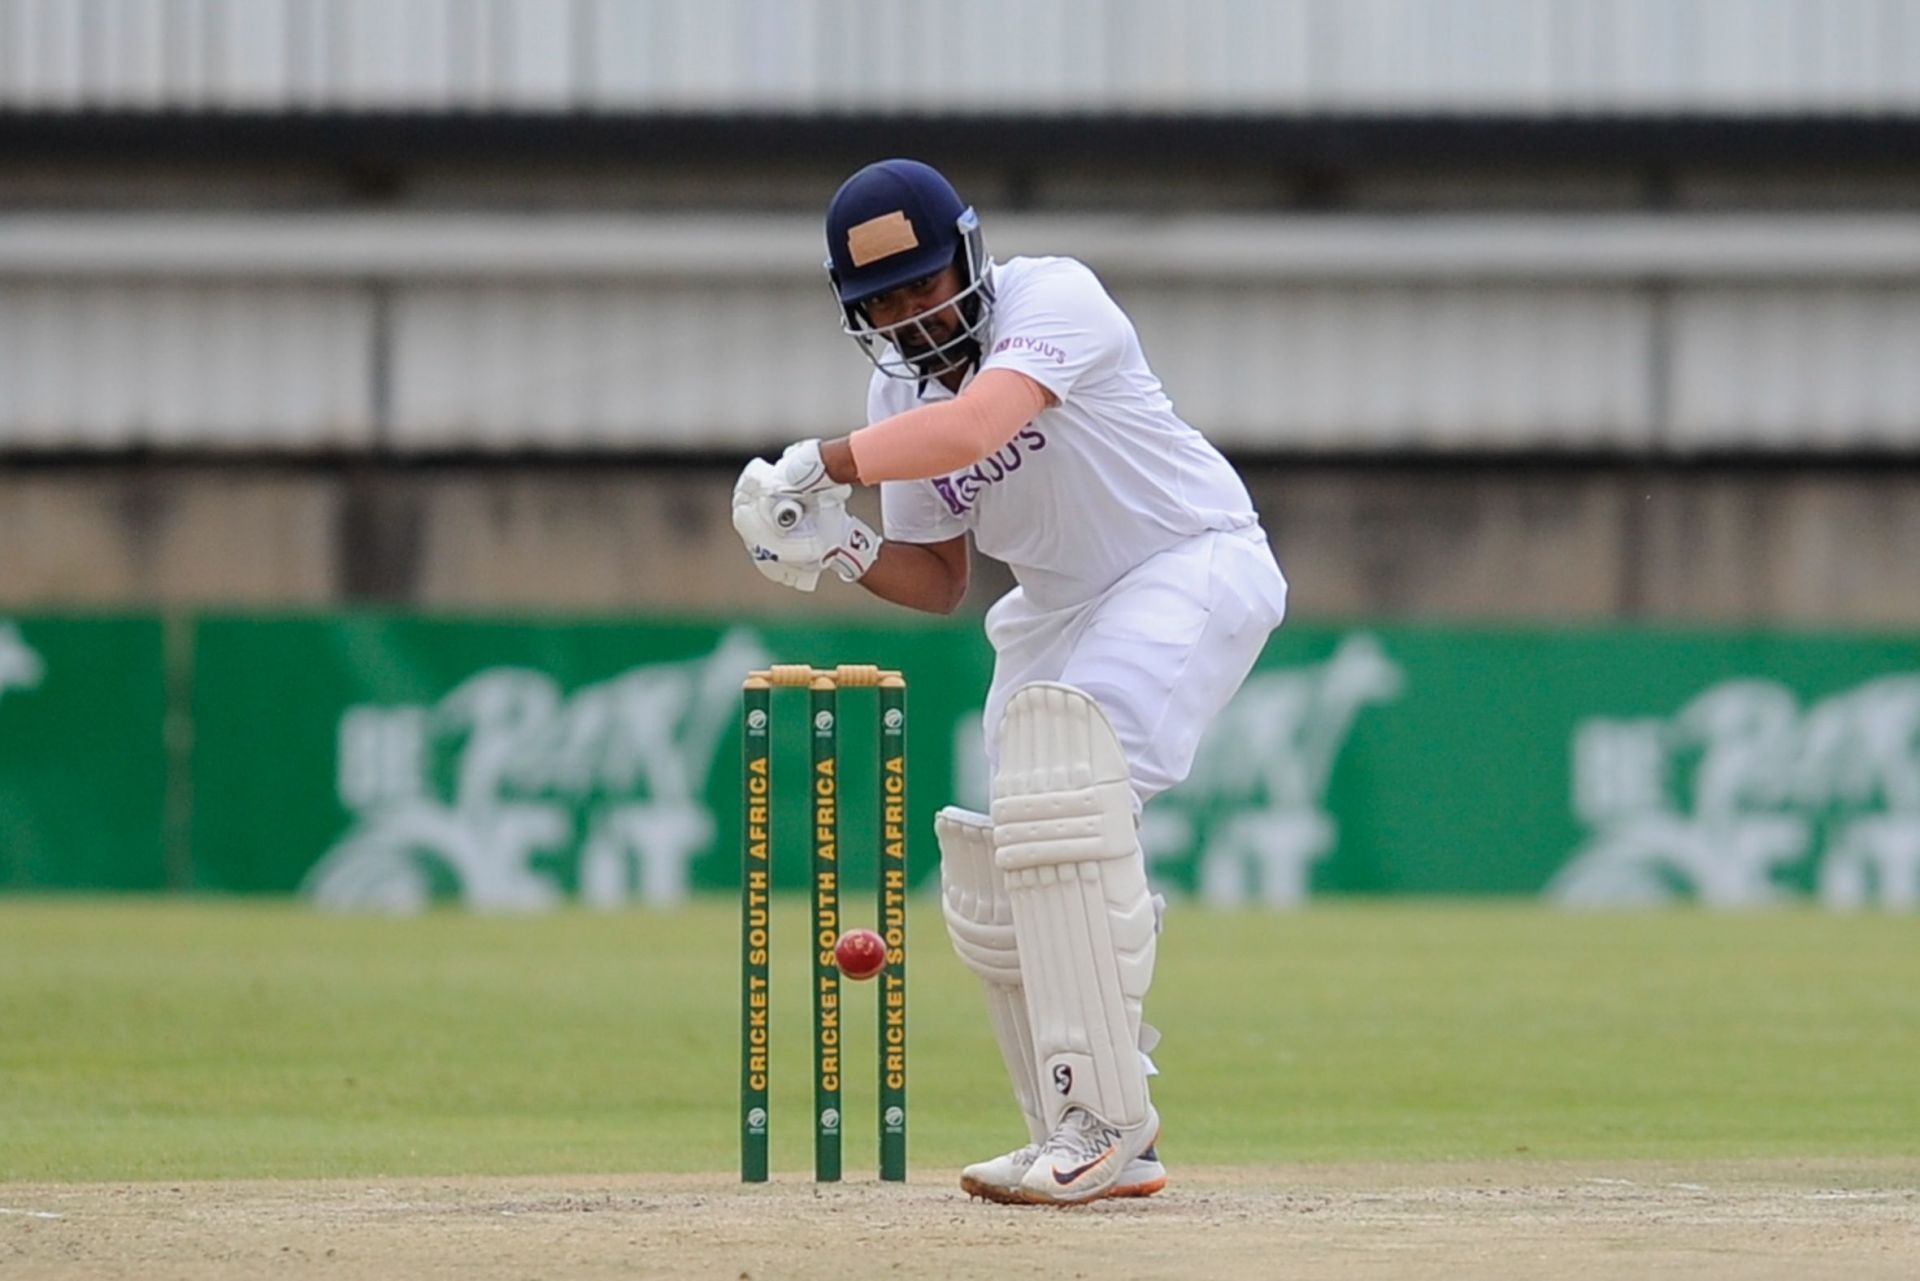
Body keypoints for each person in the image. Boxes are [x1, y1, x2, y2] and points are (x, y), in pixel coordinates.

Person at [731, 158, 1288, 1205]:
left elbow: (978, 427)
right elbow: (939, 578)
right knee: (1003, 855)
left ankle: (1109, 1122)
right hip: (1055, 608)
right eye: (882, 303)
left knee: (1067, 795)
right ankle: (1079, 1128)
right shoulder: (894, 393)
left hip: (1186, 559)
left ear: (970, 259)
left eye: (924, 283)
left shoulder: (1056, 297)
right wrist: (834, 548)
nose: (910, 315)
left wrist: (822, 461)